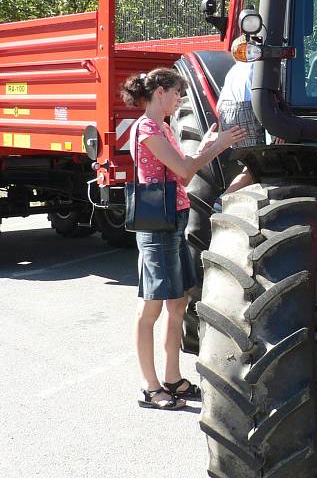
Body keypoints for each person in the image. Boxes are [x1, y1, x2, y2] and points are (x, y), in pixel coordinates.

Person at [120, 68, 246, 410]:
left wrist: (206, 146)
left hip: (173, 218)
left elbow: (183, 164)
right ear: (160, 92)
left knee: (177, 304)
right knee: (151, 307)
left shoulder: (161, 126)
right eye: (176, 93)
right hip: (157, 225)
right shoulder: (146, 128)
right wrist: (218, 147)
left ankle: (172, 378)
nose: (179, 100)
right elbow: (184, 171)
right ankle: (150, 386)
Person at [213, 59, 270, 209]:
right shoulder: (259, 66)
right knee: (258, 165)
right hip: (247, 111)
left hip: (228, 112)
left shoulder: (234, 70)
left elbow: (220, 104)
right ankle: (223, 201)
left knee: (250, 164)